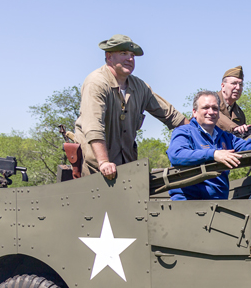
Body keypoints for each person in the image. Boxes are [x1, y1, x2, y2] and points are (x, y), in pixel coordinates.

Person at [75, 34, 187, 179]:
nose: (130, 59)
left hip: (126, 166)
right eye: (123, 54)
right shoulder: (96, 83)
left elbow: (172, 116)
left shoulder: (140, 87)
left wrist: (200, 141)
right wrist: (103, 162)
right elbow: (93, 127)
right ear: (109, 57)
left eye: (132, 55)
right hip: (94, 169)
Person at [166, 90, 251, 200]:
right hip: (188, 204)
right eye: (205, 108)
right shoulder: (185, 132)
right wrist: (213, 154)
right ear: (194, 112)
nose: (211, 112)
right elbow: (176, 155)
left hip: (219, 204)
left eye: (214, 108)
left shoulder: (226, 137)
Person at [215, 66, 248, 134]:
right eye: (234, 83)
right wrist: (234, 127)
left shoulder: (240, 114)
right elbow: (216, 114)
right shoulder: (209, 100)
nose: (238, 88)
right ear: (223, 86)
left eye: (241, 84)